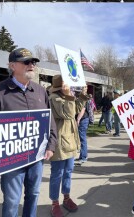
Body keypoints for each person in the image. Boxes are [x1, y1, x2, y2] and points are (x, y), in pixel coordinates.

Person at [0, 48, 57, 217]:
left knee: (33, 195)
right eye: (26, 62)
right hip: (12, 159)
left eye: (33, 62)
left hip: (36, 156)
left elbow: (50, 120)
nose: (31, 65)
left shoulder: (40, 91)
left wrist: (51, 145)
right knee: (12, 200)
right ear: (12, 65)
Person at [48, 75, 80, 217]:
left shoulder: (66, 97)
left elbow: (76, 110)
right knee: (57, 174)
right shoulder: (53, 98)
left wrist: (83, 97)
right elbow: (68, 113)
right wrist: (68, 96)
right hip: (60, 143)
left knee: (68, 173)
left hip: (70, 141)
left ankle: (66, 197)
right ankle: (55, 202)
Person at [75, 87, 90, 165]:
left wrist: (78, 119)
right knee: (81, 138)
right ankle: (82, 155)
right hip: (83, 119)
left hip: (83, 119)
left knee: (82, 138)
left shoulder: (83, 97)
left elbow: (82, 110)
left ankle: (83, 157)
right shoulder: (81, 97)